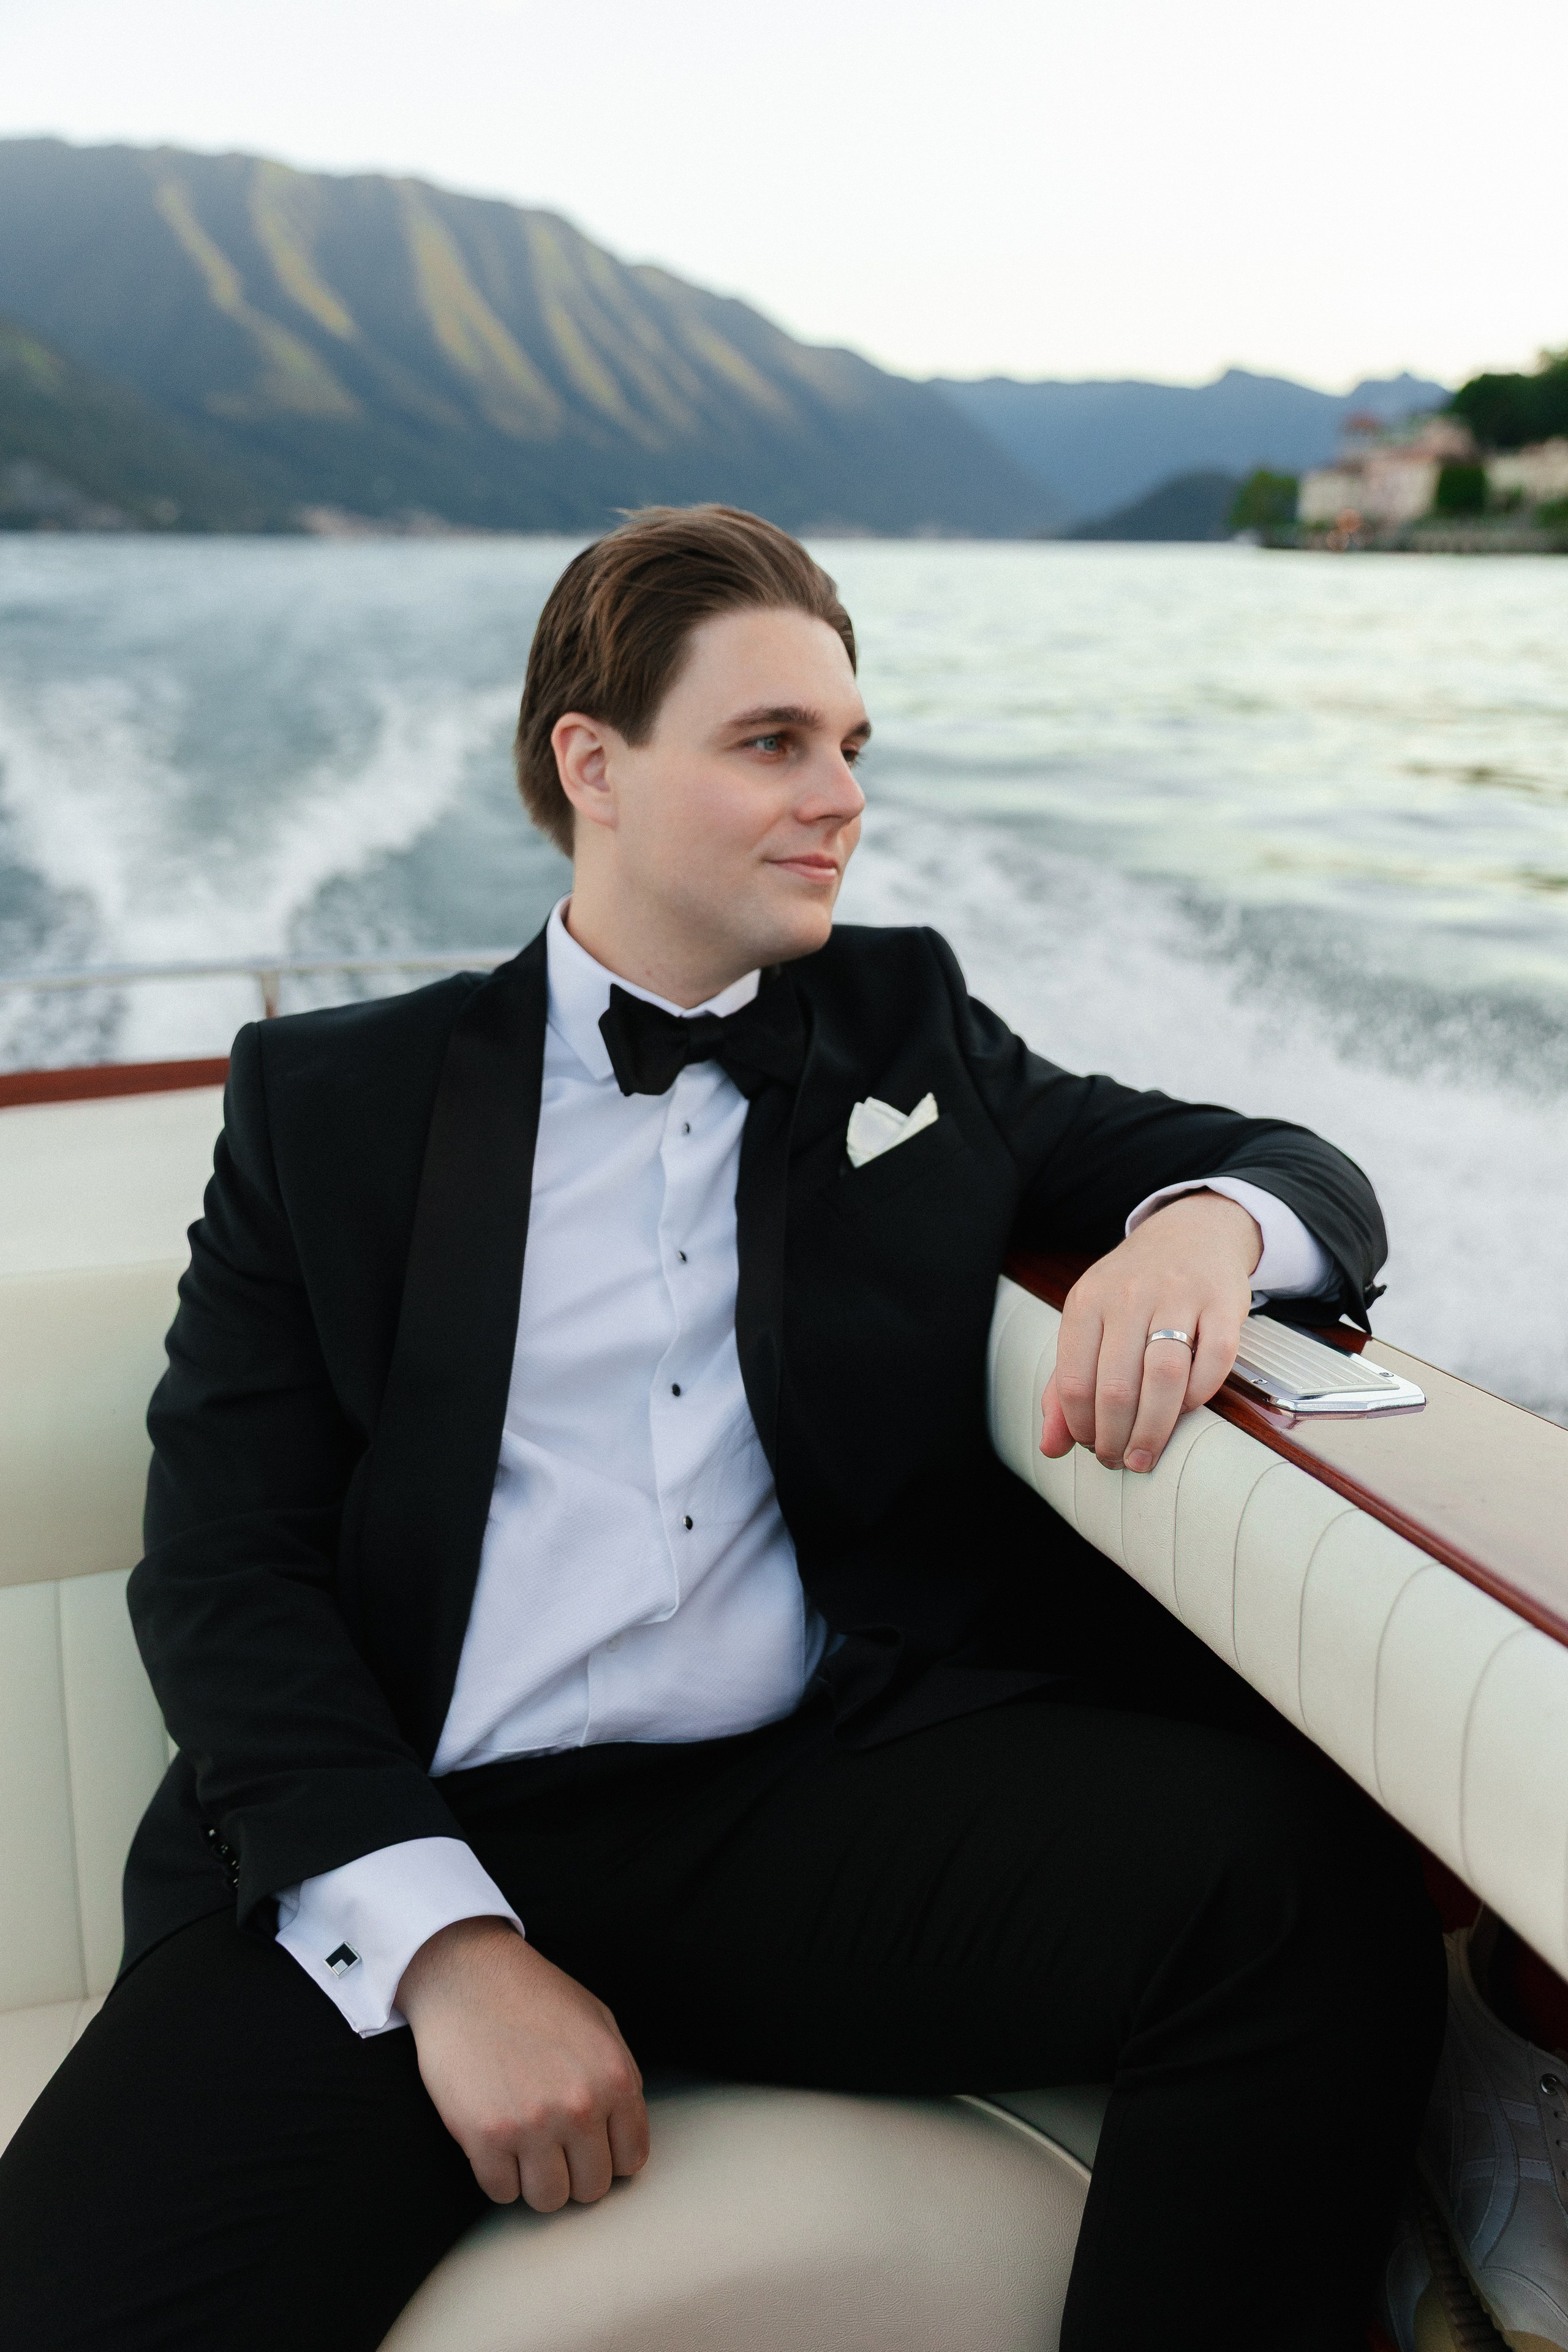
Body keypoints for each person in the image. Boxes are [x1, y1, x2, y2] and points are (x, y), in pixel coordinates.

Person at [0, 505, 1442, 2350]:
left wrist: (1208, 1239)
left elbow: (1292, 1166)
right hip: (411, 1811)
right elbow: (224, 1564)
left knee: (1296, 1899)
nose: (838, 794)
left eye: (852, 747)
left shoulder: (903, 1031)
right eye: (773, 744)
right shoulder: (332, 1104)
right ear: (590, 766)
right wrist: (450, 1953)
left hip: (788, 1807)